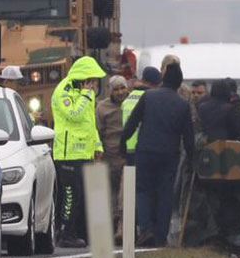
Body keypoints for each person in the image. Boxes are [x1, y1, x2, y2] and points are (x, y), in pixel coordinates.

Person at [120, 61, 195, 246]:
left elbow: (131, 123)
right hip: (169, 155)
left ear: (163, 79)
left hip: (145, 151)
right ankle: (161, 235)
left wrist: (123, 144)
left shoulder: (148, 98)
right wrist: (192, 159)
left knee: (143, 190)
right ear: (179, 83)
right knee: (165, 194)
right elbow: (189, 137)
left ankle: (145, 229)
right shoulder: (183, 105)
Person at [192, 77, 240, 247]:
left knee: (213, 198)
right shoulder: (230, 108)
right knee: (234, 199)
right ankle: (234, 234)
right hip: (230, 160)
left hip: (208, 161)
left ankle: (214, 233)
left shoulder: (203, 108)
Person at [51, 56, 107, 247]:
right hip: (67, 154)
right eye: (91, 80)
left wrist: (97, 146)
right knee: (70, 196)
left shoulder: (85, 94)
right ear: (84, 78)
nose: (94, 85)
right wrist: (85, 95)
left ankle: (79, 232)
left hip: (84, 154)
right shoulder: (64, 91)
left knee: (82, 196)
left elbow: (89, 124)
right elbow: (74, 115)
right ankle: (65, 233)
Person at [96, 75, 131, 236]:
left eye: (122, 88)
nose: (120, 92)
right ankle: (110, 226)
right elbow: (98, 132)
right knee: (111, 193)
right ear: (110, 91)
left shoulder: (133, 103)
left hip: (128, 156)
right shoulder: (102, 108)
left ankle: (122, 228)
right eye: (116, 89)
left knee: (125, 193)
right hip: (109, 157)